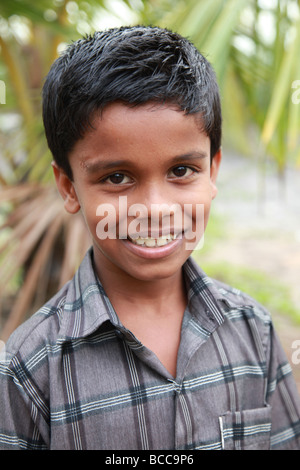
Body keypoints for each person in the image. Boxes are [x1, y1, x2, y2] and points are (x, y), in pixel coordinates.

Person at [0, 25, 299, 451]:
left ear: (212, 171)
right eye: (117, 177)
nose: (155, 208)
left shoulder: (255, 331)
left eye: (181, 171)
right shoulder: (31, 367)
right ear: (68, 187)